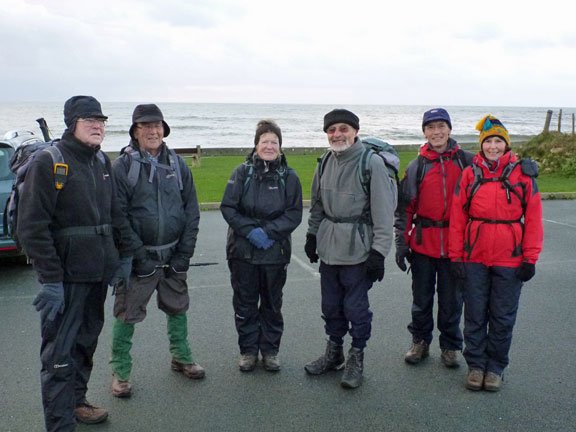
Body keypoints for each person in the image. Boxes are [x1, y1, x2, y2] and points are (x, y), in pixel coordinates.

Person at [17, 96, 119, 430]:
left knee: (84, 346)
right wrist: (50, 281)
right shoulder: (50, 162)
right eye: (90, 120)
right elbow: (31, 227)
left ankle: (77, 403)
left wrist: (120, 260)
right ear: (71, 123)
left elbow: (113, 217)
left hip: (96, 277)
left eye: (101, 120)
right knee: (59, 357)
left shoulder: (101, 162)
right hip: (65, 281)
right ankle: (60, 425)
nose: (98, 126)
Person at [109, 104, 204, 398]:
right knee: (126, 314)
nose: (153, 131)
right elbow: (118, 217)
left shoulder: (178, 165)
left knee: (178, 307)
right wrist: (140, 257)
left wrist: (183, 254)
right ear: (135, 131)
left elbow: (192, 211)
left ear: (163, 129)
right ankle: (120, 372)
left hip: (173, 255)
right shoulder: (123, 167)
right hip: (138, 260)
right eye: (146, 126)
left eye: (157, 126)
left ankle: (182, 356)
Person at [304, 109, 397, 389]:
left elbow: (383, 213)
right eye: (331, 130)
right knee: (330, 306)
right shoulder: (324, 162)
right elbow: (317, 204)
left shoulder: (372, 164)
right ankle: (334, 353)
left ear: (355, 131)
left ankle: (357, 356)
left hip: (359, 249)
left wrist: (379, 252)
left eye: (343, 129)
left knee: (356, 308)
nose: (337, 135)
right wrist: (311, 235)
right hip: (329, 247)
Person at [449, 115, 543, 392]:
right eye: (488, 141)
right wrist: (456, 256)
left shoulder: (523, 175)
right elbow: (457, 217)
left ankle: (496, 367)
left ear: (506, 145)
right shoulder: (469, 174)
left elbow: (534, 219)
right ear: (481, 145)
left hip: (510, 258)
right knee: (475, 314)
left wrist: (530, 258)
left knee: (502, 316)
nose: (493, 146)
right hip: (474, 256)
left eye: (498, 141)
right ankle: (476, 366)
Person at [221, 120, 302, 372]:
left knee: (271, 304)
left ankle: (270, 350)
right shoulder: (241, 173)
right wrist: (250, 231)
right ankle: (247, 351)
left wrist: (268, 232)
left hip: (274, 253)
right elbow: (228, 207)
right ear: (256, 145)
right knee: (244, 303)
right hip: (242, 252)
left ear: (280, 147)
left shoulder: (289, 177)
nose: (269, 146)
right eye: (264, 141)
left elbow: (294, 213)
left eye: (274, 142)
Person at [394, 108, 474, 367]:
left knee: (452, 301)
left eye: (441, 126)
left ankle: (450, 346)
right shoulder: (416, 166)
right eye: (430, 127)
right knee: (422, 300)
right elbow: (404, 208)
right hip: (423, 245)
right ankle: (420, 342)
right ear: (424, 132)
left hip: (456, 246)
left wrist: (526, 168)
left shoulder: (468, 161)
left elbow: (500, 161)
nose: (436, 132)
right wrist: (401, 243)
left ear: (449, 129)